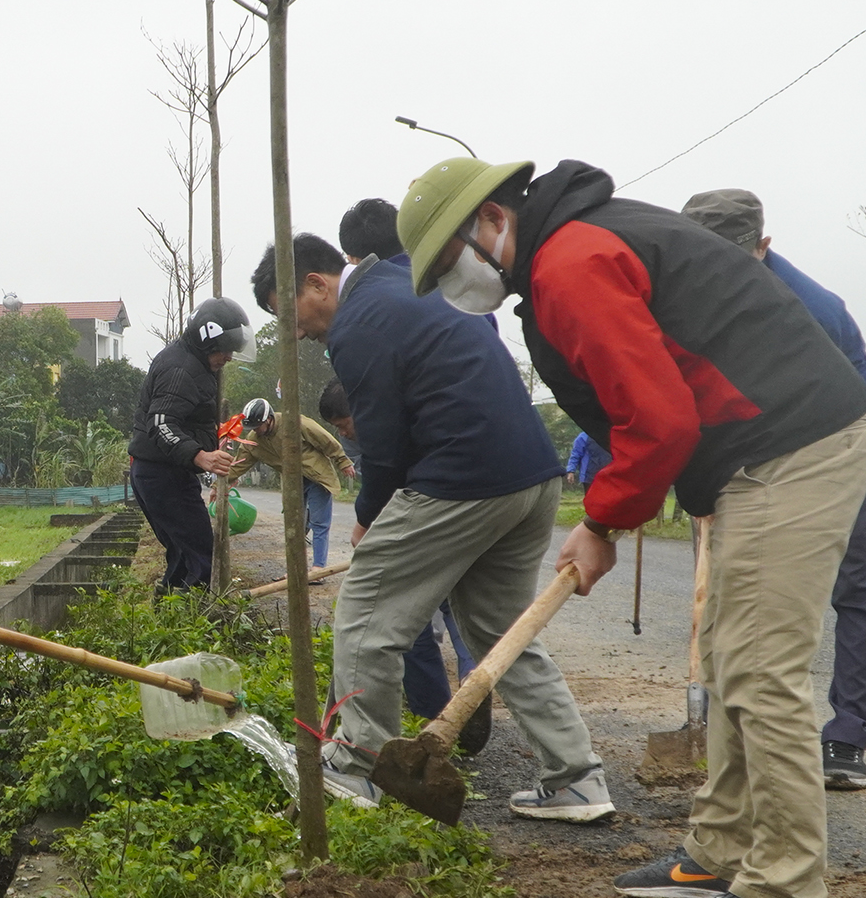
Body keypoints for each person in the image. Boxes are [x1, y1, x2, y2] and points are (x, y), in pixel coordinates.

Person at [399, 156, 866, 898]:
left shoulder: (572, 261)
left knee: (761, 667)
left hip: (793, 445)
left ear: (488, 221)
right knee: (729, 654)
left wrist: (604, 522)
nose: (452, 282)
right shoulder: (570, 248)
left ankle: (787, 895)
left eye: (447, 261)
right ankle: (721, 850)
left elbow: (659, 419)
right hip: (766, 447)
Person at [252, 227, 609, 822]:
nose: (296, 330)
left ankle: (356, 765)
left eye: (288, 313)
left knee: (365, 612)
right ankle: (577, 778)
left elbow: (385, 447)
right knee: (502, 631)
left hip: (464, 475)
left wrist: (367, 519)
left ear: (317, 283)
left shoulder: (357, 324)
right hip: (532, 479)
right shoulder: (405, 281)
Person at [682, 188, 866, 792]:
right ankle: (736, 733)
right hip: (752, 433)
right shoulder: (686, 280)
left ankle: (848, 734)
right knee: (735, 590)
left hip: (849, 426)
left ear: (764, 246)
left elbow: (805, 410)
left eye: (731, 257)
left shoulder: (809, 307)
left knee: (858, 579)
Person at [318, 380, 485, 742]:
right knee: (437, 616)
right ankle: (452, 703)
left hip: (423, 525)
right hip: (433, 520)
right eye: (338, 428)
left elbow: (383, 485)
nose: (345, 432)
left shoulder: (395, 428)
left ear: (363, 411)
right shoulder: (387, 426)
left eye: (345, 422)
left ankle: (454, 704)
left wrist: (365, 525)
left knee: (422, 615)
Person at [126, 299, 250, 590]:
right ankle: (186, 619)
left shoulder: (193, 363)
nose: (229, 358)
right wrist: (199, 456)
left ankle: (172, 618)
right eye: (224, 350)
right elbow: (161, 424)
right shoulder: (181, 370)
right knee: (199, 555)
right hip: (161, 474)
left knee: (184, 554)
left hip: (165, 471)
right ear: (206, 343)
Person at [226, 397, 353, 566]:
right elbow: (239, 464)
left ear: (269, 419)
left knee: (319, 524)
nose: (255, 431)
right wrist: (220, 484)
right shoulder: (253, 441)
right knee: (294, 527)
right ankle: (296, 571)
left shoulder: (294, 423)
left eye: (258, 427)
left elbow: (325, 440)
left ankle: (318, 568)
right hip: (292, 483)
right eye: (253, 428)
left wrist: (342, 461)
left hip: (316, 477)